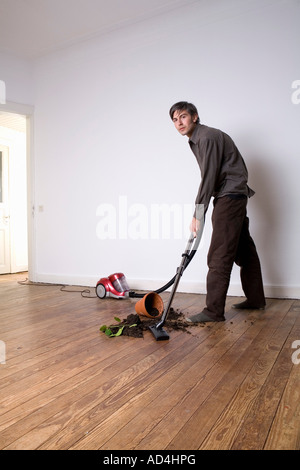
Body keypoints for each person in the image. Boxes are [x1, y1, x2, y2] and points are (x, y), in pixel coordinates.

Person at [169, 101, 266, 322]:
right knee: (244, 250)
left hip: (229, 197)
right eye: (175, 120)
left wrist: (198, 212)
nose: (179, 123)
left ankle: (213, 311)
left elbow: (209, 177)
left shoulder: (207, 137)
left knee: (219, 254)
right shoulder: (198, 139)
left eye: (183, 116)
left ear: (194, 116)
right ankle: (256, 299)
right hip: (233, 195)